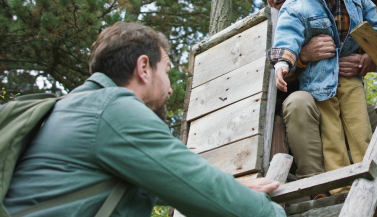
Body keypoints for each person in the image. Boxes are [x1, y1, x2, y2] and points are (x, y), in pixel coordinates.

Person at [3, 22, 285, 216]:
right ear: (144, 68)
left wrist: (234, 185)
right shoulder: (113, 110)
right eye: (167, 69)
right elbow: (200, 188)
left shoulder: (74, 108)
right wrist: (272, 212)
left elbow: (172, 180)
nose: (171, 87)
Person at [268, 0, 377, 194]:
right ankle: (340, 189)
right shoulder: (298, 2)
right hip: (319, 79)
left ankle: (372, 181)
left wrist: (371, 53)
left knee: (359, 127)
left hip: (350, 75)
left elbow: (372, 23)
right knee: (331, 134)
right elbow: (289, 34)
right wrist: (283, 62)